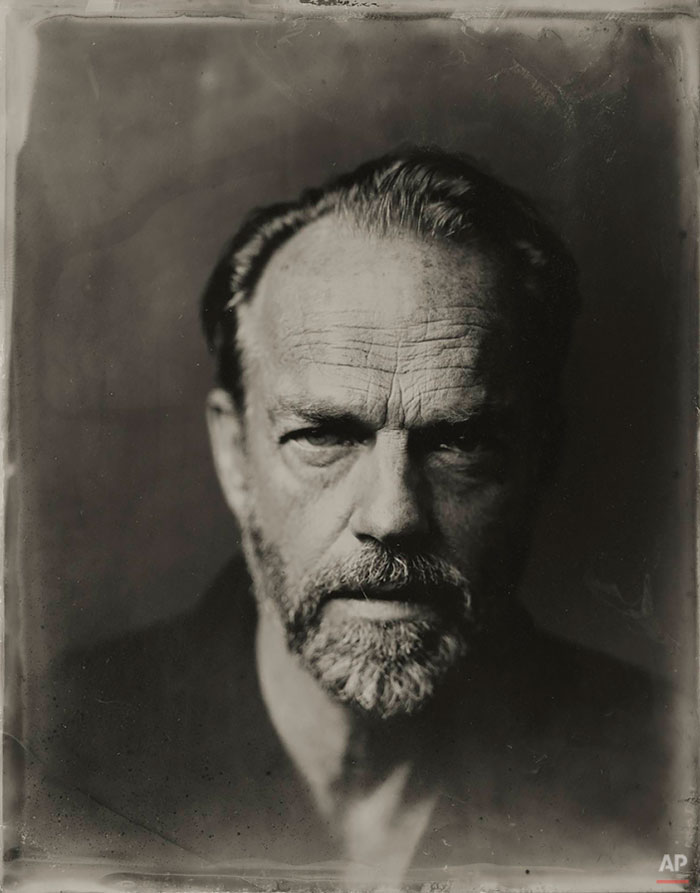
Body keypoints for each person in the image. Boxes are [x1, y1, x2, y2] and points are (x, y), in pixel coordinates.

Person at [29, 149, 667, 886]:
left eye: (459, 442)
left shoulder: (665, 768)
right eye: (325, 436)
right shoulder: (40, 759)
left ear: (540, 458)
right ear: (235, 454)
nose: (392, 515)